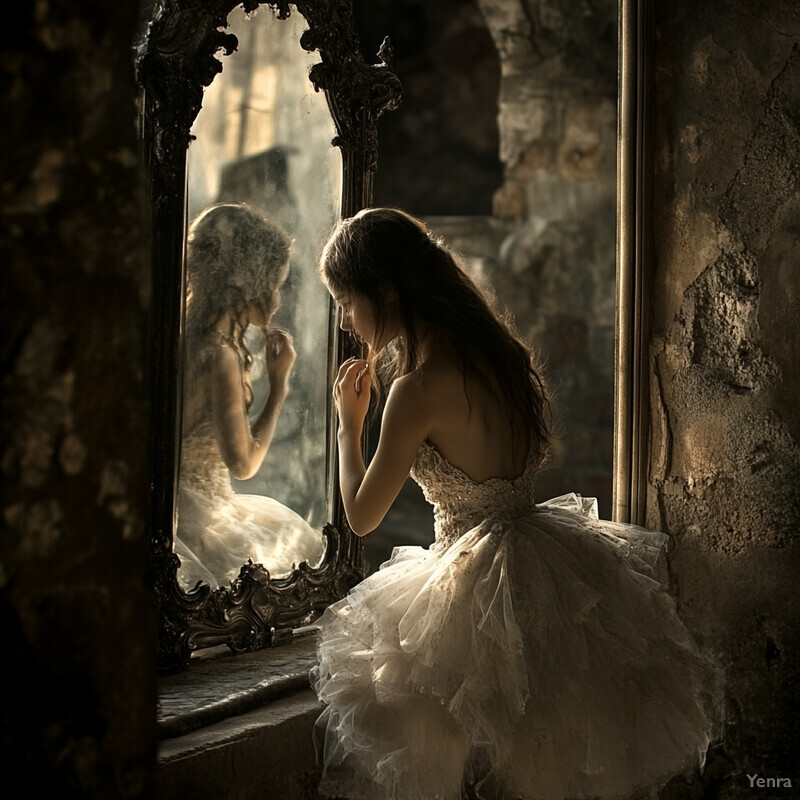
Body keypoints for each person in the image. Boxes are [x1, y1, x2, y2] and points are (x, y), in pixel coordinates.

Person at [311, 208, 724, 800]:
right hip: (547, 567)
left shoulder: (416, 389)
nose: (348, 321)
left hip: (469, 591)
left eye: (348, 303)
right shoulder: (502, 357)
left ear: (387, 293)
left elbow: (361, 515)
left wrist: (350, 428)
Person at [175, 202, 325, 590]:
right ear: (251, 284)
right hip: (198, 517)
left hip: (181, 503)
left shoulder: (183, 334)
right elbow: (242, 464)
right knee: (297, 550)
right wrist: (279, 388)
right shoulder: (219, 356)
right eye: (276, 284)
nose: (278, 298)